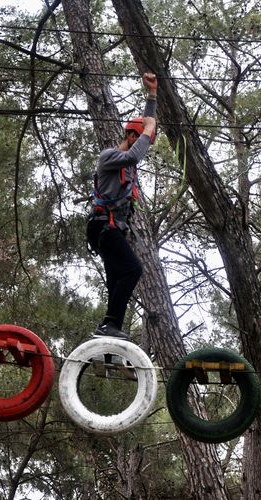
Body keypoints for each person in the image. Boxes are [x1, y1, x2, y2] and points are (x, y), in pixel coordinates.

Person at [86, 72, 157, 338]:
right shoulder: (109, 157)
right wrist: (147, 131)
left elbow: (146, 125)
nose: (143, 146)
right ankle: (110, 325)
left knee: (117, 279)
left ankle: (108, 327)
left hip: (112, 228)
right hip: (104, 226)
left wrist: (152, 95)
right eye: (139, 139)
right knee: (133, 269)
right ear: (130, 137)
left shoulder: (126, 160)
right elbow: (137, 150)